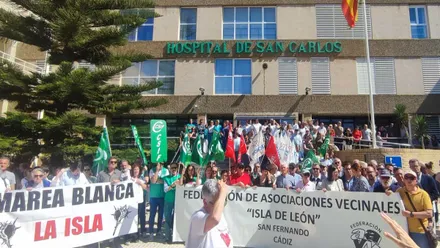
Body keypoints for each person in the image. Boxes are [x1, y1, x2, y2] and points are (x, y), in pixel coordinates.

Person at [186, 179, 232, 248]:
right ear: (205, 202)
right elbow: (214, 219)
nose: (220, 206)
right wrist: (222, 193)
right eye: (217, 203)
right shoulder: (197, 218)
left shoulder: (220, 215)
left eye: (223, 202)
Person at [397, 170, 432, 248]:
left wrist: (411, 214)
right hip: (404, 230)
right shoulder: (399, 191)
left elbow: (429, 213)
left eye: (411, 178)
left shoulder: (423, 194)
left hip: (419, 231)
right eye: (406, 177)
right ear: (403, 180)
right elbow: (390, 201)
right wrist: (388, 193)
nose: (409, 180)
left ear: (416, 180)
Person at [148, 162, 169, 240]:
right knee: (152, 214)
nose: (160, 165)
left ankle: (159, 230)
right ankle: (150, 231)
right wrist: (156, 171)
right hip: (153, 196)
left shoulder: (166, 171)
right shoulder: (152, 170)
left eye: (161, 163)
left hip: (162, 196)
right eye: (158, 163)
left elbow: (165, 181)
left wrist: (157, 179)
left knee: (160, 215)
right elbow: (153, 181)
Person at [163, 163, 182, 243]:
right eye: (172, 168)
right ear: (170, 169)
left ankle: (176, 236)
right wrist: (173, 184)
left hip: (178, 201)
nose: (174, 169)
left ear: (177, 169)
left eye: (175, 168)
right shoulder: (166, 178)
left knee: (176, 219)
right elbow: (165, 189)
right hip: (169, 200)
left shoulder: (180, 177)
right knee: (168, 219)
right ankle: (167, 237)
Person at [131, 163, 147, 239]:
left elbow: (146, 188)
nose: (136, 171)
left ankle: (143, 231)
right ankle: (135, 234)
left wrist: (140, 183)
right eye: (134, 169)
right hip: (132, 202)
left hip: (140, 200)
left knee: (141, 216)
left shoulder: (142, 178)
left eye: (137, 169)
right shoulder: (130, 178)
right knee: (134, 218)